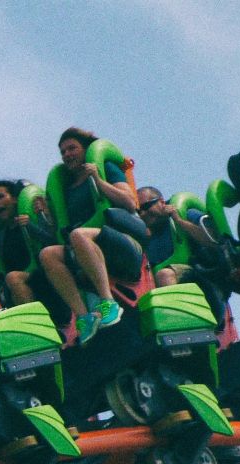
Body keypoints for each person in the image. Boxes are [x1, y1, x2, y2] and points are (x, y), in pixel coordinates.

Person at [37, 126, 139, 344]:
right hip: (84, 243)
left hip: (120, 240)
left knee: (78, 236)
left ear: (86, 149)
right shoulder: (68, 186)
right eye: (63, 152)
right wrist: (45, 214)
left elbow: (130, 203)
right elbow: (59, 229)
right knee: (48, 254)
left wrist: (98, 180)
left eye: (72, 148)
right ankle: (84, 317)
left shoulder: (106, 168)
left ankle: (107, 301)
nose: (67, 155)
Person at [138, 186, 224, 288]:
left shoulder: (185, 214)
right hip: (160, 283)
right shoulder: (145, 238)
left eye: (145, 207)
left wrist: (179, 221)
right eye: (138, 211)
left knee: (164, 275)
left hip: (200, 271)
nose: (143, 214)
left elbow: (213, 241)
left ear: (161, 202)